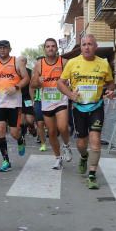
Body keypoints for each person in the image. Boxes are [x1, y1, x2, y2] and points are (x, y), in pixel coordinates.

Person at [57, 34, 115, 189]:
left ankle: (92, 174)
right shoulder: (72, 63)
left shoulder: (103, 64)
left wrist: (110, 91)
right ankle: (83, 156)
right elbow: (60, 83)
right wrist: (70, 95)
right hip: (79, 107)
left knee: (95, 140)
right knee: (82, 143)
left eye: (90, 44)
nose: (87, 47)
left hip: (96, 106)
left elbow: (110, 83)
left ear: (95, 47)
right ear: (80, 47)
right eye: (84, 44)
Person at [31, 38, 73, 170]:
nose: (50, 48)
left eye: (53, 46)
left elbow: (72, 79)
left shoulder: (64, 62)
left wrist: (69, 84)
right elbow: (32, 84)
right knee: (52, 132)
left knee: (62, 127)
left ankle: (66, 145)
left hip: (61, 99)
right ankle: (58, 158)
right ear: (44, 49)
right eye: (48, 46)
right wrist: (38, 80)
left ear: (57, 48)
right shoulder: (39, 64)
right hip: (47, 101)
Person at [0, 40, 29, 172]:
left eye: (5, 48)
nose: (2, 50)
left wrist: (16, 87)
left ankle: (20, 138)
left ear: (10, 49)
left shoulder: (17, 62)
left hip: (14, 103)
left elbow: (26, 78)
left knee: (14, 133)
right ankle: (6, 160)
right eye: (0, 48)